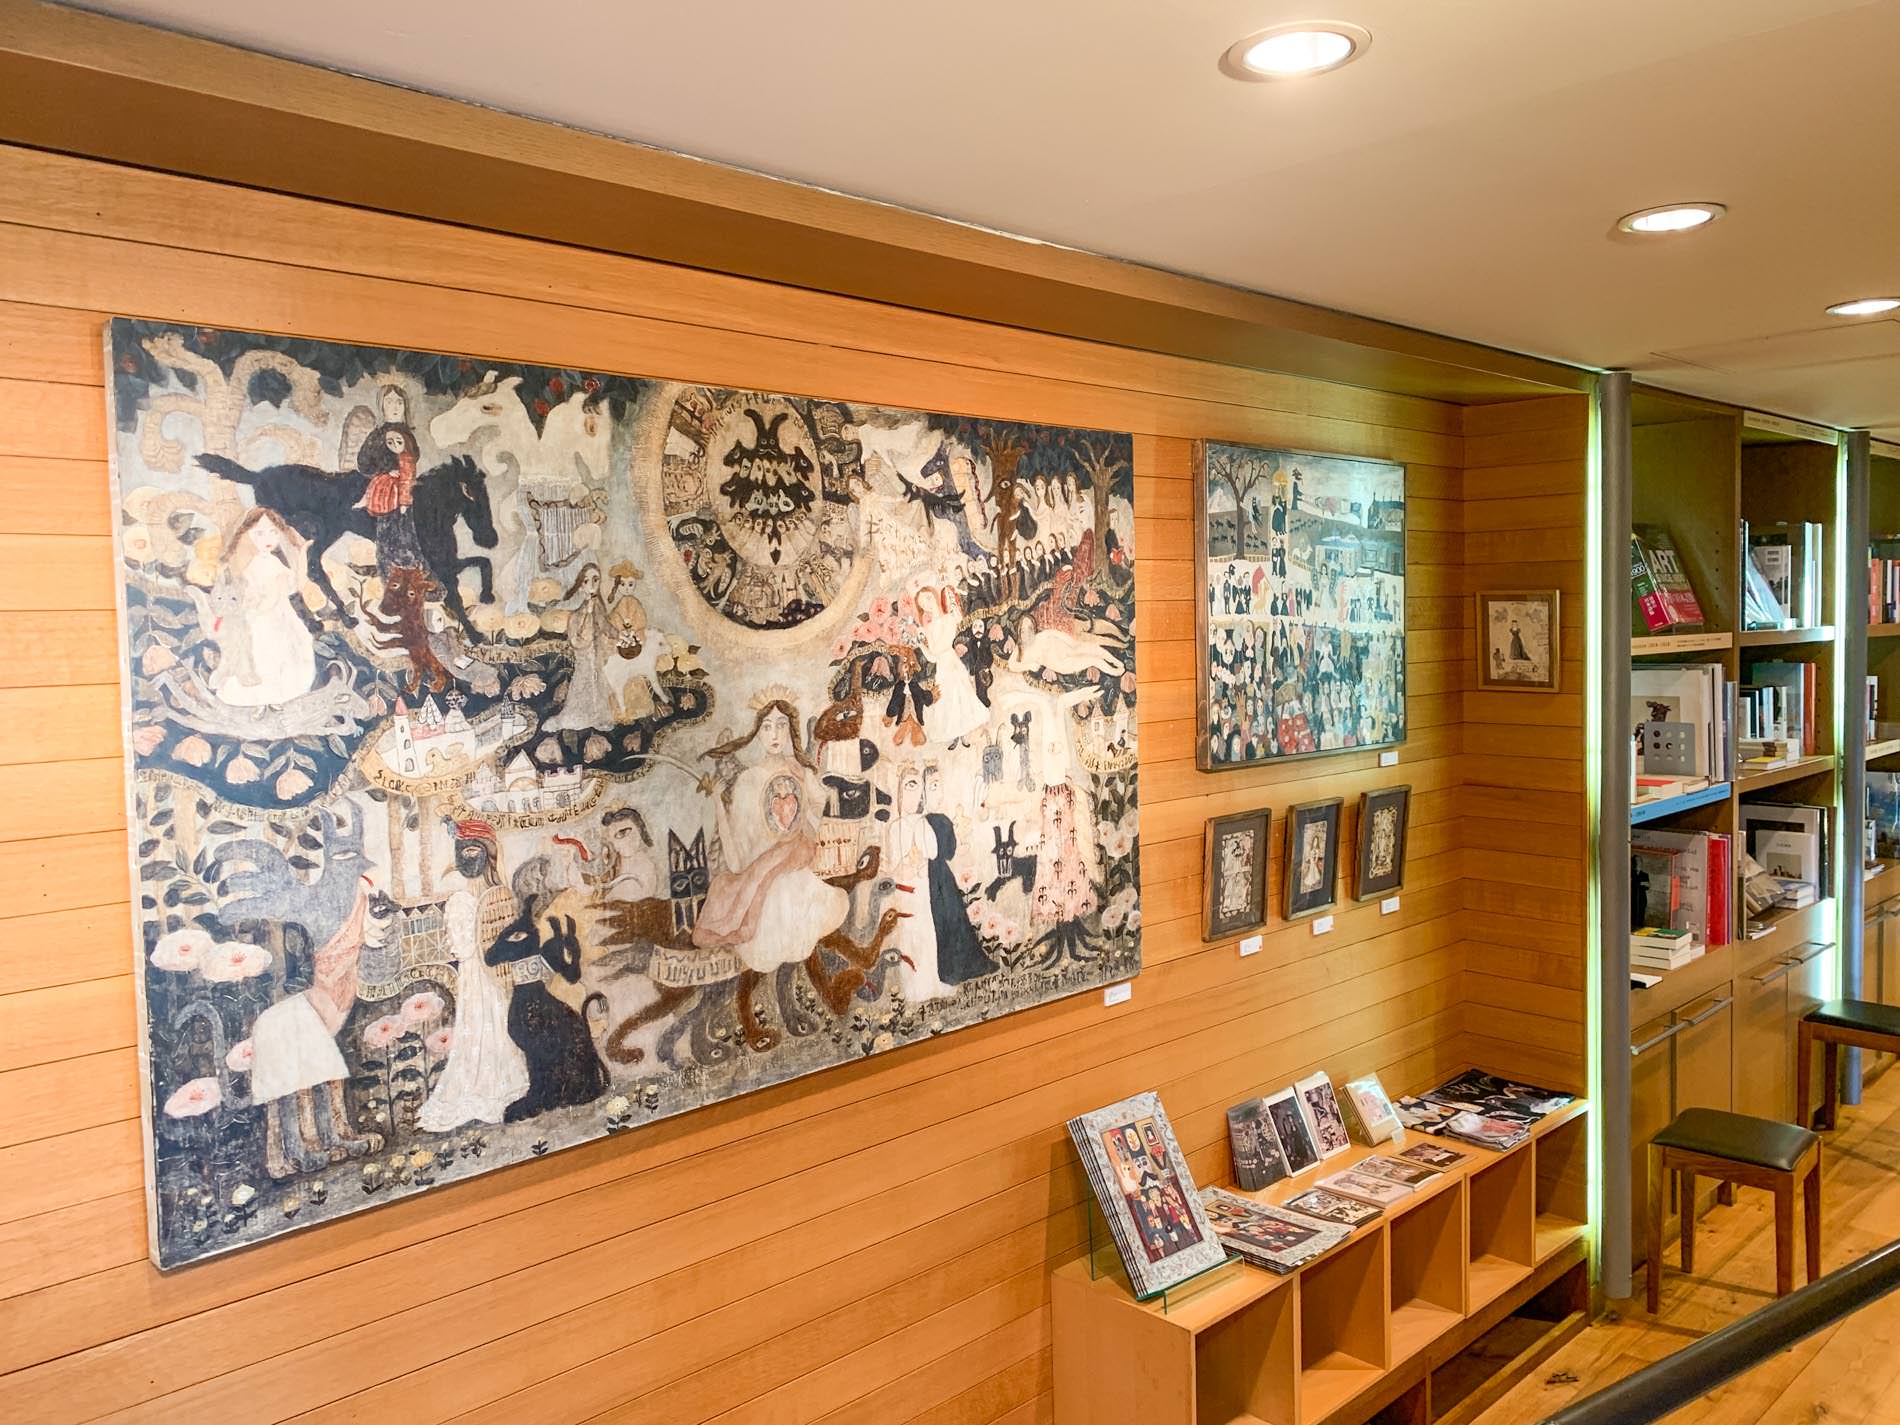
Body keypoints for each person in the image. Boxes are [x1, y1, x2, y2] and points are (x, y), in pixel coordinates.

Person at [691, 698, 848, 975]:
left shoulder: (798, 770)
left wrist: (807, 795)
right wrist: (718, 802)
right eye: (766, 727)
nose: (774, 734)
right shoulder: (748, 780)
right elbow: (738, 853)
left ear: (790, 729)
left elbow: (820, 807)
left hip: (797, 872)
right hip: (763, 877)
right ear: (756, 732)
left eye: (781, 725)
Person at [417, 820, 531, 1132]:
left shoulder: (499, 896)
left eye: (474, 850)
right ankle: (483, 1093)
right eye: (464, 851)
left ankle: (512, 1088)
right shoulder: (460, 901)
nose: (469, 857)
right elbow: (463, 948)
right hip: (476, 978)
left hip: (501, 976)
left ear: (488, 855)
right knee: (482, 1026)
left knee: (505, 1024)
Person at [213, 507, 316, 707]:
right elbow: (248, 594)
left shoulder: (273, 562)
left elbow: (297, 585)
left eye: (273, 532)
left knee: (289, 651)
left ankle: (281, 696)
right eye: (259, 533)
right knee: (264, 652)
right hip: (261, 617)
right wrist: (258, 602)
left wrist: (302, 553)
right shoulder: (251, 565)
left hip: (280, 616)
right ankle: (262, 698)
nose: (267, 539)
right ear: (248, 534)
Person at [885, 765, 952, 1003]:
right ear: (901, 794)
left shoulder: (923, 824)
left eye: (917, 790)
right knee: (908, 937)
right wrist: (907, 864)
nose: (913, 796)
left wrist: (920, 862)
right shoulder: (896, 828)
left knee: (927, 933)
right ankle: (913, 989)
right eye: (909, 789)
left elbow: (932, 851)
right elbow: (893, 863)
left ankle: (932, 982)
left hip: (922, 887)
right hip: (905, 891)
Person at [547, 563, 618, 731]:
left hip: (597, 655)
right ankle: (579, 717)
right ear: (580, 585)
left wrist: (622, 636)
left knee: (599, 684)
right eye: (586, 581)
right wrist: (587, 613)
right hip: (584, 656)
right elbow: (576, 640)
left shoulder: (597, 606)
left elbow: (605, 626)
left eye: (595, 580)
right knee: (583, 683)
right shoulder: (577, 613)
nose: (591, 585)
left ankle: (598, 717)